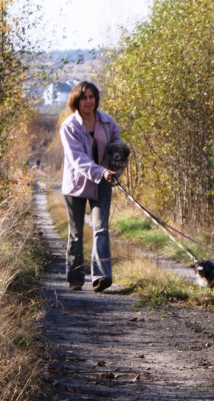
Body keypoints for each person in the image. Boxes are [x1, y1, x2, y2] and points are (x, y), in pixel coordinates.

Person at [59, 81, 121, 292]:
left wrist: (115, 169)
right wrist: (100, 171)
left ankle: (101, 276)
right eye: (84, 97)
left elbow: (118, 147)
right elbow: (78, 159)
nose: (88, 101)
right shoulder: (69, 126)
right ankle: (75, 278)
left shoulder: (107, 122)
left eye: (91, 97)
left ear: (96, 99)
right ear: (76, 101)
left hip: (103, 183)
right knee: (76, 233)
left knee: (101, 228)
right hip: (76, 184)